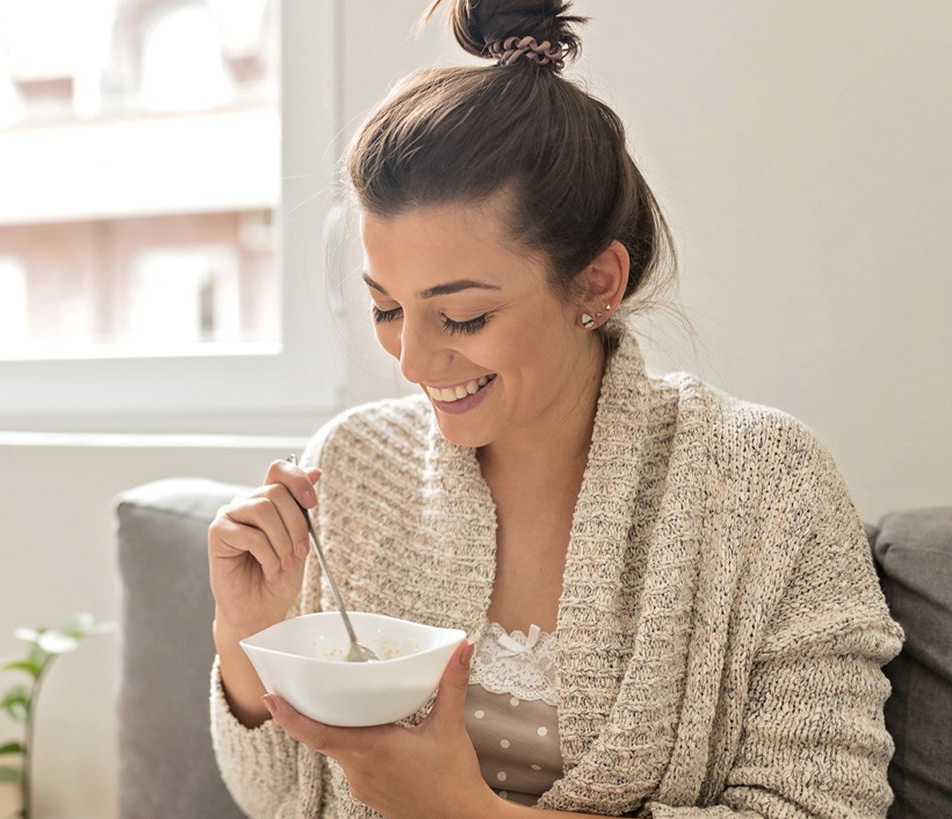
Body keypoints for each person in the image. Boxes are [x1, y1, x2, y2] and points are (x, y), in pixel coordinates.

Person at [205, 1, 905, 817]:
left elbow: (824, 805)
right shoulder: (354, 466)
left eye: (463, 315)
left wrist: (466, 810)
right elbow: (283, 798)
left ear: (596, 284)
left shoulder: (766, 483)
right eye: (386, 307)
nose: (412, 361)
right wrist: (246, 635)